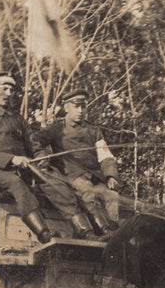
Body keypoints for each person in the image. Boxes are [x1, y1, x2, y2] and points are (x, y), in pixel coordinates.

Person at [0, 71, 83, 243]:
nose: (9, 93)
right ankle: (44, 234)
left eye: (11, 90)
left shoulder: (18, 119)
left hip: (22, 169)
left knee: (54, 181)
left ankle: (82, 229)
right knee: (16, 183)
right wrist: (12, 159)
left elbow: (34, 146)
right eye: (4, 88)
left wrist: (42, 159)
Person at [38, 88, 122, 236]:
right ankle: (103, 231)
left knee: (112, 196)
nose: (80, 110)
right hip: (71, 176)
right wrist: (43, 155)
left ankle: (113, 233)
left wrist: (111, 176)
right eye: (76, 106)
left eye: (83, 106)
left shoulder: (93, 130)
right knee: (87, 190)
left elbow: (105, 156)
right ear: (66, 108)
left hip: (95, 177)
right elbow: (35, 142)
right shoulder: (56, 129)